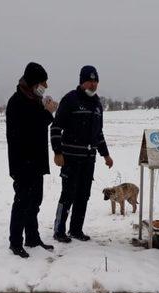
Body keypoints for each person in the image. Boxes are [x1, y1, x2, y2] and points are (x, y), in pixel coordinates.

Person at [51, 65, 114, 243]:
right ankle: (59, 230)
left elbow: (98, 134)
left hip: (89, 159)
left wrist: (106, 155)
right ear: (81, 82)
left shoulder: (97, 105)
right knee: (68, 194)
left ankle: (76, 230)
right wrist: (57, 152)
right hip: (70, 159)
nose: (93, 85)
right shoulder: (70, 99)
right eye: (89, 81)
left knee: (83, 195)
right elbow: (55, 127)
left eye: (96, 82)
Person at [6, 62, 58, 258]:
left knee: (35, 200)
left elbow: (37, 124)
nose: (46, 85)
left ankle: (32, 238)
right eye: (43, 81)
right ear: (34, 81)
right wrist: (47, 113)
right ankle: (15, 242)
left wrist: (45, 109)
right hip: (22, 162)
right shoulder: (17, 101)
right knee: (22, 201)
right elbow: (27, 130)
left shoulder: (34, 99)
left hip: (36, 161)